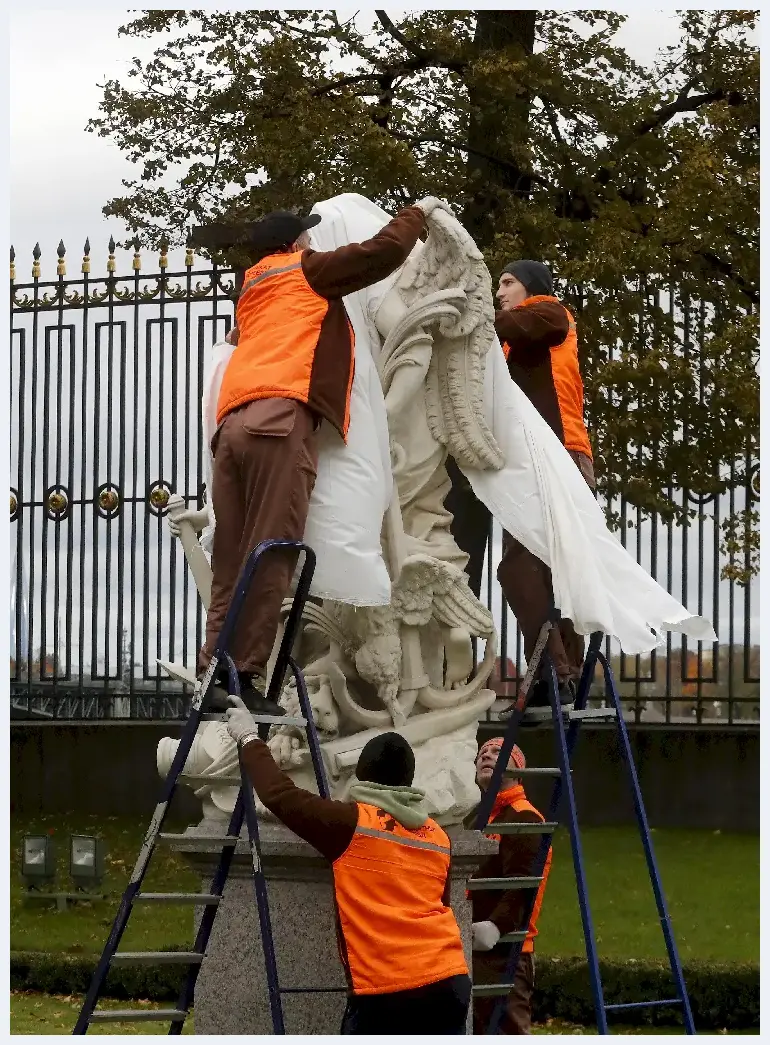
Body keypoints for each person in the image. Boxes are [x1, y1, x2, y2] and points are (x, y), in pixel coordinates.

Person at [192, 202, 434, 711]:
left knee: (232, 561)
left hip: (231, 428)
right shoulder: (304, 271)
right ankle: (249, 679)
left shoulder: (252, 289)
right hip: (278, 423)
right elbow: (383, 251)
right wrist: (418, 213)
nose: (312, 243)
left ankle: (214, 673)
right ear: (297, 244)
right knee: (273, 550)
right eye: (307, 237)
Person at [225, 697, 472, 1035]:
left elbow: (280, 795)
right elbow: (439, 903)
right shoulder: (437, 836)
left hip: (387, 990)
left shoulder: (352, 823)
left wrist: (249, 739)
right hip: (449, 980)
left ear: (364, 775)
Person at [494, 260, 596, 706]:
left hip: (557, 456)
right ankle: (565, 677)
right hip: (555, 457)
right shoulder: (516, 339)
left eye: (507, 282)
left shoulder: (549, 313)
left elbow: (506, 326)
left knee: (517, 567)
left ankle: (552, 673)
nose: (499, 291)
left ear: (532, 288)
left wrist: (468, 310)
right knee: (553, 572)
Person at [470, 737, 552, 1035]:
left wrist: (496, 925)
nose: (486, 756)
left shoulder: (524, 817)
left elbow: (523, 883)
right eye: (482, 753)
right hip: (480, 945)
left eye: (497, 752)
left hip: (506, 948)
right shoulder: (481, 817)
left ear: (517, 770)